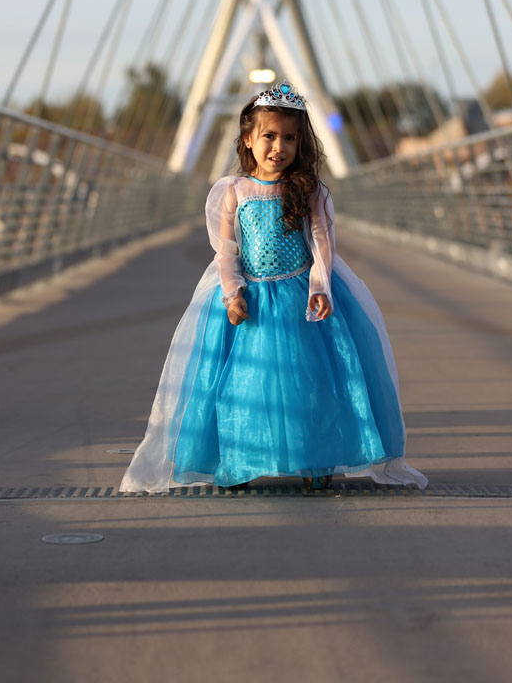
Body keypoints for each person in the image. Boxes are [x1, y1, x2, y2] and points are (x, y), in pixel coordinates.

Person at [120, 80, 427, 493]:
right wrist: (232, 293)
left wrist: (321, 287)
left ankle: (314, 458)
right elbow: (226, 252)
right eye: (268, 137)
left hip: (297, 298)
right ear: (248, 140)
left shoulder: (308, 191)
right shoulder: (235, 191)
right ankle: (238, 460)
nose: (277, 147)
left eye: (289, 139)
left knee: (309, 384)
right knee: (240, 384)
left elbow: (322, 244)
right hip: (250, 298)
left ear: (301, 144)